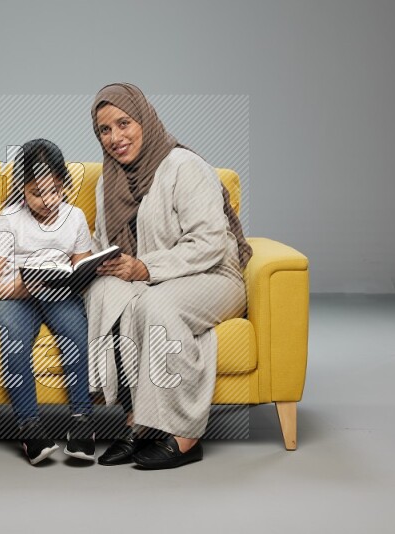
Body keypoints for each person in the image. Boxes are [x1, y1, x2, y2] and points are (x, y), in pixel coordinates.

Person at [85, 83, 252, 470]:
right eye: (104, 131)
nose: (115, 138)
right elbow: (101, 242)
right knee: (106, 294)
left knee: (154, 303)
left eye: (124, 123)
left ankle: (185, 434)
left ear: (144, 119)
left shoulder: (184, 166)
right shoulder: (106, 181)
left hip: (213, 275)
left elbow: (210, 242)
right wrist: (95, 264)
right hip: (154, 279)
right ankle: (139, 421)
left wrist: (145, 268)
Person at [0, 139, 96, 465]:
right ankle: (30, 428)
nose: (47, 201)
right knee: (14, 341)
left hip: (58, 293)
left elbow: (82, 268)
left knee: (76, 333)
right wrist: (17, 287)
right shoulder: (11, 219)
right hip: (17, 296)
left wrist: (75, 275)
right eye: (36, 193)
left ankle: (82, 422)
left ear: (65, 185)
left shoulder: (74, 218)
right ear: (21, 188)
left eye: (55, 191)